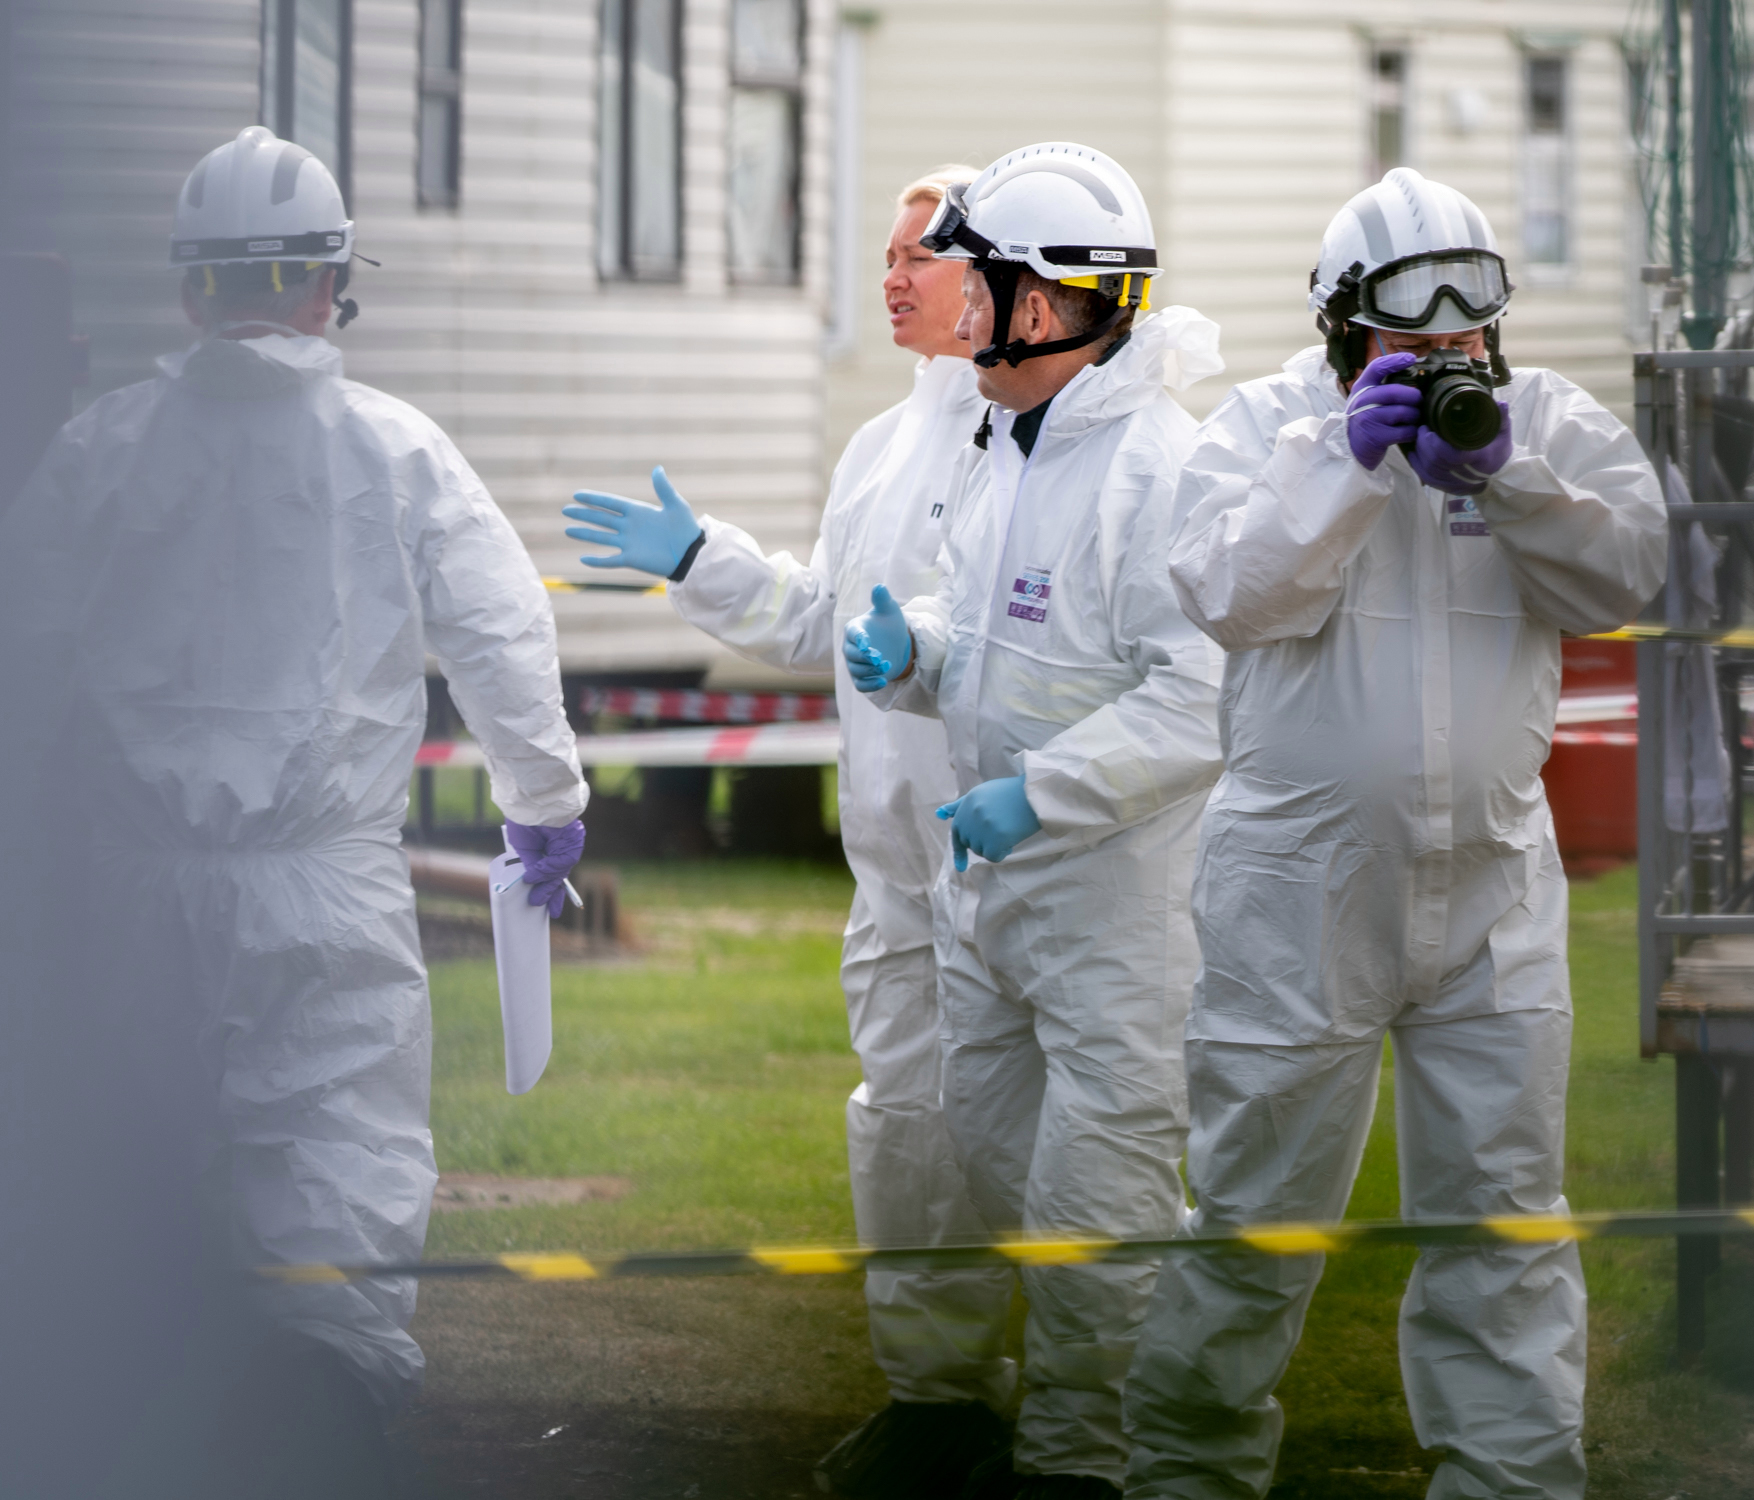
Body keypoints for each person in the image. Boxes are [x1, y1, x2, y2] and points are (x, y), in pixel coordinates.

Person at [9, 125, 589, 1495]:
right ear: (333, 283)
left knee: (128, 1150)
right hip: (327, 880)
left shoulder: (101, 448)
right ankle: (324, 1409)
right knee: (336, 1143)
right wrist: (544, 802)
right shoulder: (395, 450)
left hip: (126, 879)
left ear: (188, 289)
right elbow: (503, 636)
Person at [1121, 167, 1667, 1500]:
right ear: (1338, 327)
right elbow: (1224, 594)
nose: (1440, 356)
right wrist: (1345, 467)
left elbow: (1630, 573)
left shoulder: (1548, 422)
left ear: (1497, 322)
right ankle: (1185, 1473)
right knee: (1252, 1212)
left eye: (1463, 329)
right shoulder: (1263, 427)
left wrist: (1509, 477)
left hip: (1490, 878)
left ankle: (1512, 1481)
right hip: (1298, 889)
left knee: (1503, 1215)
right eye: (1403, 332)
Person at [561, 166, 1022, 1500]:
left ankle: (1092, 1429)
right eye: (883, 257)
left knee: (1064, 1152)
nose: (887, 280)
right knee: (906, 1138)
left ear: (994, 271)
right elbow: (822, 620)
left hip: (1034, 866)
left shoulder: (1041, 436)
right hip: (893, 875)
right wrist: (699, 554)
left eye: (915, 259)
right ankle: (938, 1407)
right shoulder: (880, 446)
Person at [842, 142, 1227, 1500]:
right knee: (1005, 1179)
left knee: (1096, 1213)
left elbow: (1196, 699)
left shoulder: (1162, 476)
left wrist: (1044, 795)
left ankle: (1085, 1464)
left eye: (981, 279)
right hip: (987, 899)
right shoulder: (1009, 443)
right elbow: (1010, 639)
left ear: (1052, 302)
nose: (956, 306)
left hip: (1115, 915)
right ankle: (1110, 1425)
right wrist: (921, 657)